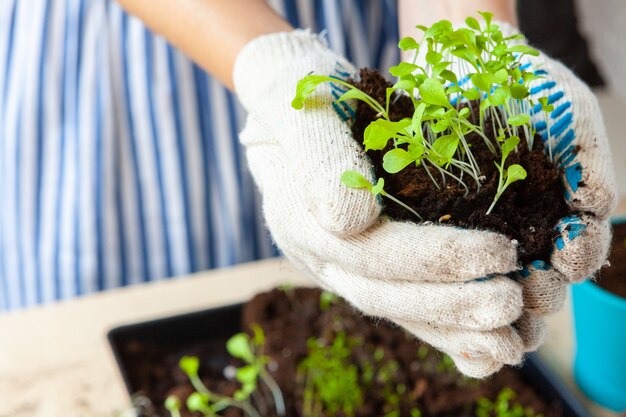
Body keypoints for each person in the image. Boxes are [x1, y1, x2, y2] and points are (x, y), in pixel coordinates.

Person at [0, 0, 616, 377]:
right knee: (140, 325)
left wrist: (471, 27)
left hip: (347, 30)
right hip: (132, 59)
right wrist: (269, 57)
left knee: (374, 291)